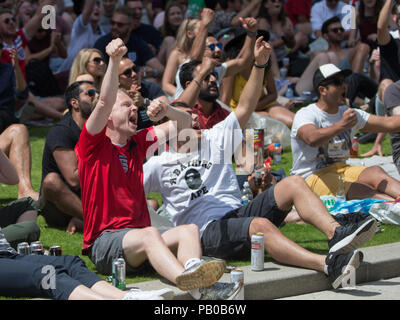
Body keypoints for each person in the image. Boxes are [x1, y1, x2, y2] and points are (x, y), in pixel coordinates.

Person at [143, 37, 378, 289]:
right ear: (170, 126)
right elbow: (129, 197)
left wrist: (259, 64)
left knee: (293, 183)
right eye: (186, 117)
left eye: (193, 115)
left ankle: (337, 234)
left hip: (237, 212)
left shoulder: (215, 137)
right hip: (206, 232)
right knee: (260, 225)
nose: (195, 119)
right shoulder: (159, 163)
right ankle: (328, 264)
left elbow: (246, 104)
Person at [75, 38, 241, 300]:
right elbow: (105, 101)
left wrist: (168, 110)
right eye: (126, 106)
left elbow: (185, 125)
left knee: (189, 231)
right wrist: (114, 60)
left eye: (134, 105)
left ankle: (195, 272)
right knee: (151, 233)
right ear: (107, 117)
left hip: (139, 242)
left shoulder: (137, 144)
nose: (133, 108)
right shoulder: (92, 146)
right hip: (105, 244)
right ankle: (201, 287)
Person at [291, 63, 400, 201]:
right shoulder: (306, 114)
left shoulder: (349, 114)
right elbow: (311, 138)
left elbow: (389, 123)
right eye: (338, 82)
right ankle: (393, 205)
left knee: (376, 172)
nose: (344, 86)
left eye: (344, 81)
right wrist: (341, 125)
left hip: (341, 170)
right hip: (310, 178)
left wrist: (343, 123)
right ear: (323, 90)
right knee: (361, 189)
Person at [39, 80, 99, 235]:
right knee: (51, 181)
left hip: (90, 197)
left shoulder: (101, 128)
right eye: (90, 93)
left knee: (151, 203)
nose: (96, 96)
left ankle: (86, 219)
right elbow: (74, 180)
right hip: (61, 205)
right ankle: (95, 221)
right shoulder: (62, 132)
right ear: (75, 103)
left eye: (97, 92)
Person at [0, 44, 39, 201]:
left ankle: (25, 190)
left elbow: (22, 93)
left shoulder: (7, 70)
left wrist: (16, 67)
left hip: (4, 126)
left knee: (19, 130)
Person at [295, 16, 371, 95]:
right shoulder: (319, 53)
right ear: (325, 36)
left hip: (345, 84)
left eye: (341, 29)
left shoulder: (349, 52)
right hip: (319, 86)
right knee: (327, 55)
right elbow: (312, 76)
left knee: (363, 47)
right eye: (335, 30)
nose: (339, 32)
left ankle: (353, 91)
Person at [94, 6, 164, 82]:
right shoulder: (101, 43)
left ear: (130, 26)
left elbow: (160, 69)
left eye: (120, 25)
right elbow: (95, 70)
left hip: (134, 84)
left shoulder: (137, 42)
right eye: (112, 23)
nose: (115, 27)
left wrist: (151, 72)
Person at [118, 56, 169, 130]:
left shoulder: (150, 87)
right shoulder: (115, 98)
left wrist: (144, 101)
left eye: (135, 69)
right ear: (117, 80)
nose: (134, 74)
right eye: (127, 73)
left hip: (156, 133)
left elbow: (168, 112)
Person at [57, 0, 105, 74]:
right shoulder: (80, 26)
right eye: (93, 6)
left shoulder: (103, 35)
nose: (96, 8)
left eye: (98, 5)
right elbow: (87, 10)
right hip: (68, 73)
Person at [161, 17, 200, 98]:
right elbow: (166, 84)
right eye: (201, 30)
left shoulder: (209, 53)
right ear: (189, 34)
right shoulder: (177, 54)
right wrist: (184, 97)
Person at [157, 1, 184, 66]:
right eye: (172, 14)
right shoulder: (159, 31)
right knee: (169, 40)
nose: (176, 16)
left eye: (178, 13)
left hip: (182, 61)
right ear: (167, 17)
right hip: (163, 65)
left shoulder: (188, 31)